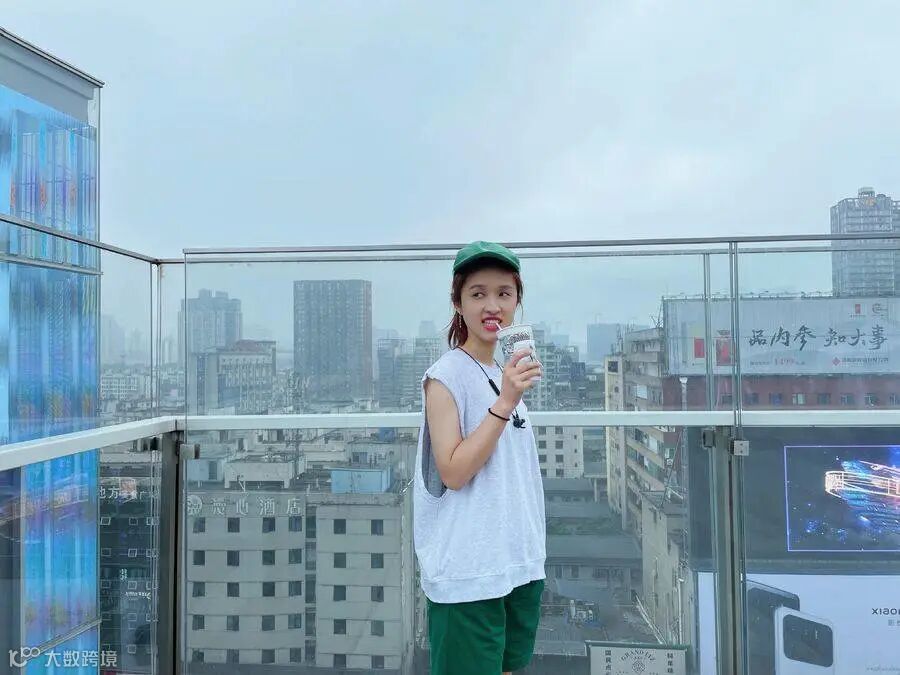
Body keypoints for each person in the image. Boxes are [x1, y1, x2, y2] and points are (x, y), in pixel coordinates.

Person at [413, 241, 547, 675]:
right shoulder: (445, 376)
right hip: (468, 572)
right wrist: (505, 401)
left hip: (517, 562)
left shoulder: (501, 372)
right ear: (458, 302)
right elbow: (453, 471)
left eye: (504, 293)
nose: (493, 305)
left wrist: (509, 394)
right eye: (478, 294)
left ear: (517, 301)